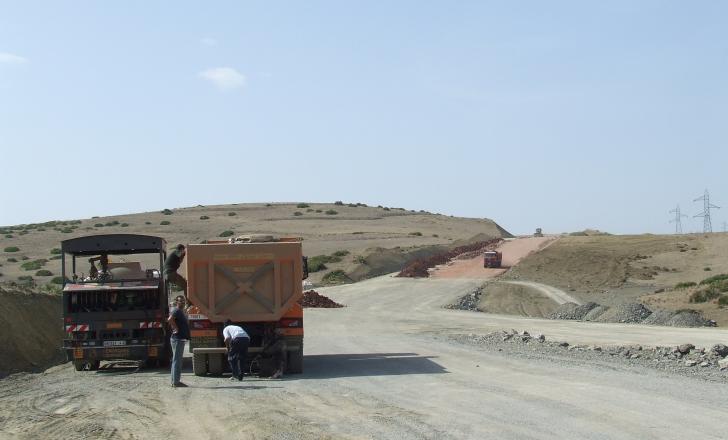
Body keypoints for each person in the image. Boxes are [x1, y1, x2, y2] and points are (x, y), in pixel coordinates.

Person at [167, 295, 190, 388]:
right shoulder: (176, 310)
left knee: (176, 361)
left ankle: (174, 381)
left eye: (183, 301)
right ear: (177, 302)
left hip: (179, 339)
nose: (182, 302)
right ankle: (176, 382)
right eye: (180, 301)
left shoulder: (180, 311)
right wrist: (176, 328)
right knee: (177, 361)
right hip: (177, 339)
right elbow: (170, 319)